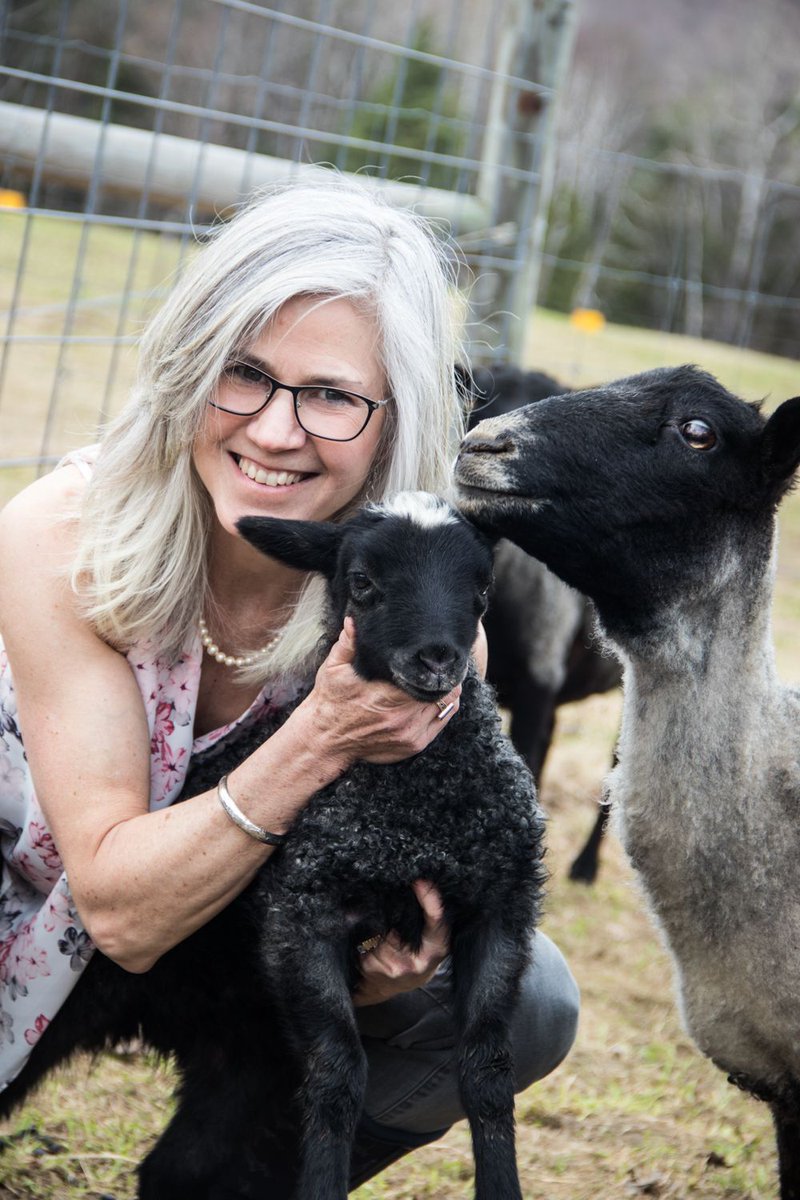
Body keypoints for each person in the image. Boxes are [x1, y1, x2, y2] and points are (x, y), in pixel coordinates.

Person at [0, 177, 579, 1185]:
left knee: (525, 1002)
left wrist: (392, 952)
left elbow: (388, 897)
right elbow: (119, 908)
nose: (273, 431)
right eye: (244, 373)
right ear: (189, 367)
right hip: (36, 890)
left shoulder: (428, 625)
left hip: (240, 930)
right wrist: (322, 734)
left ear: (395, 417)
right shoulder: (60, 535)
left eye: (331, 396)